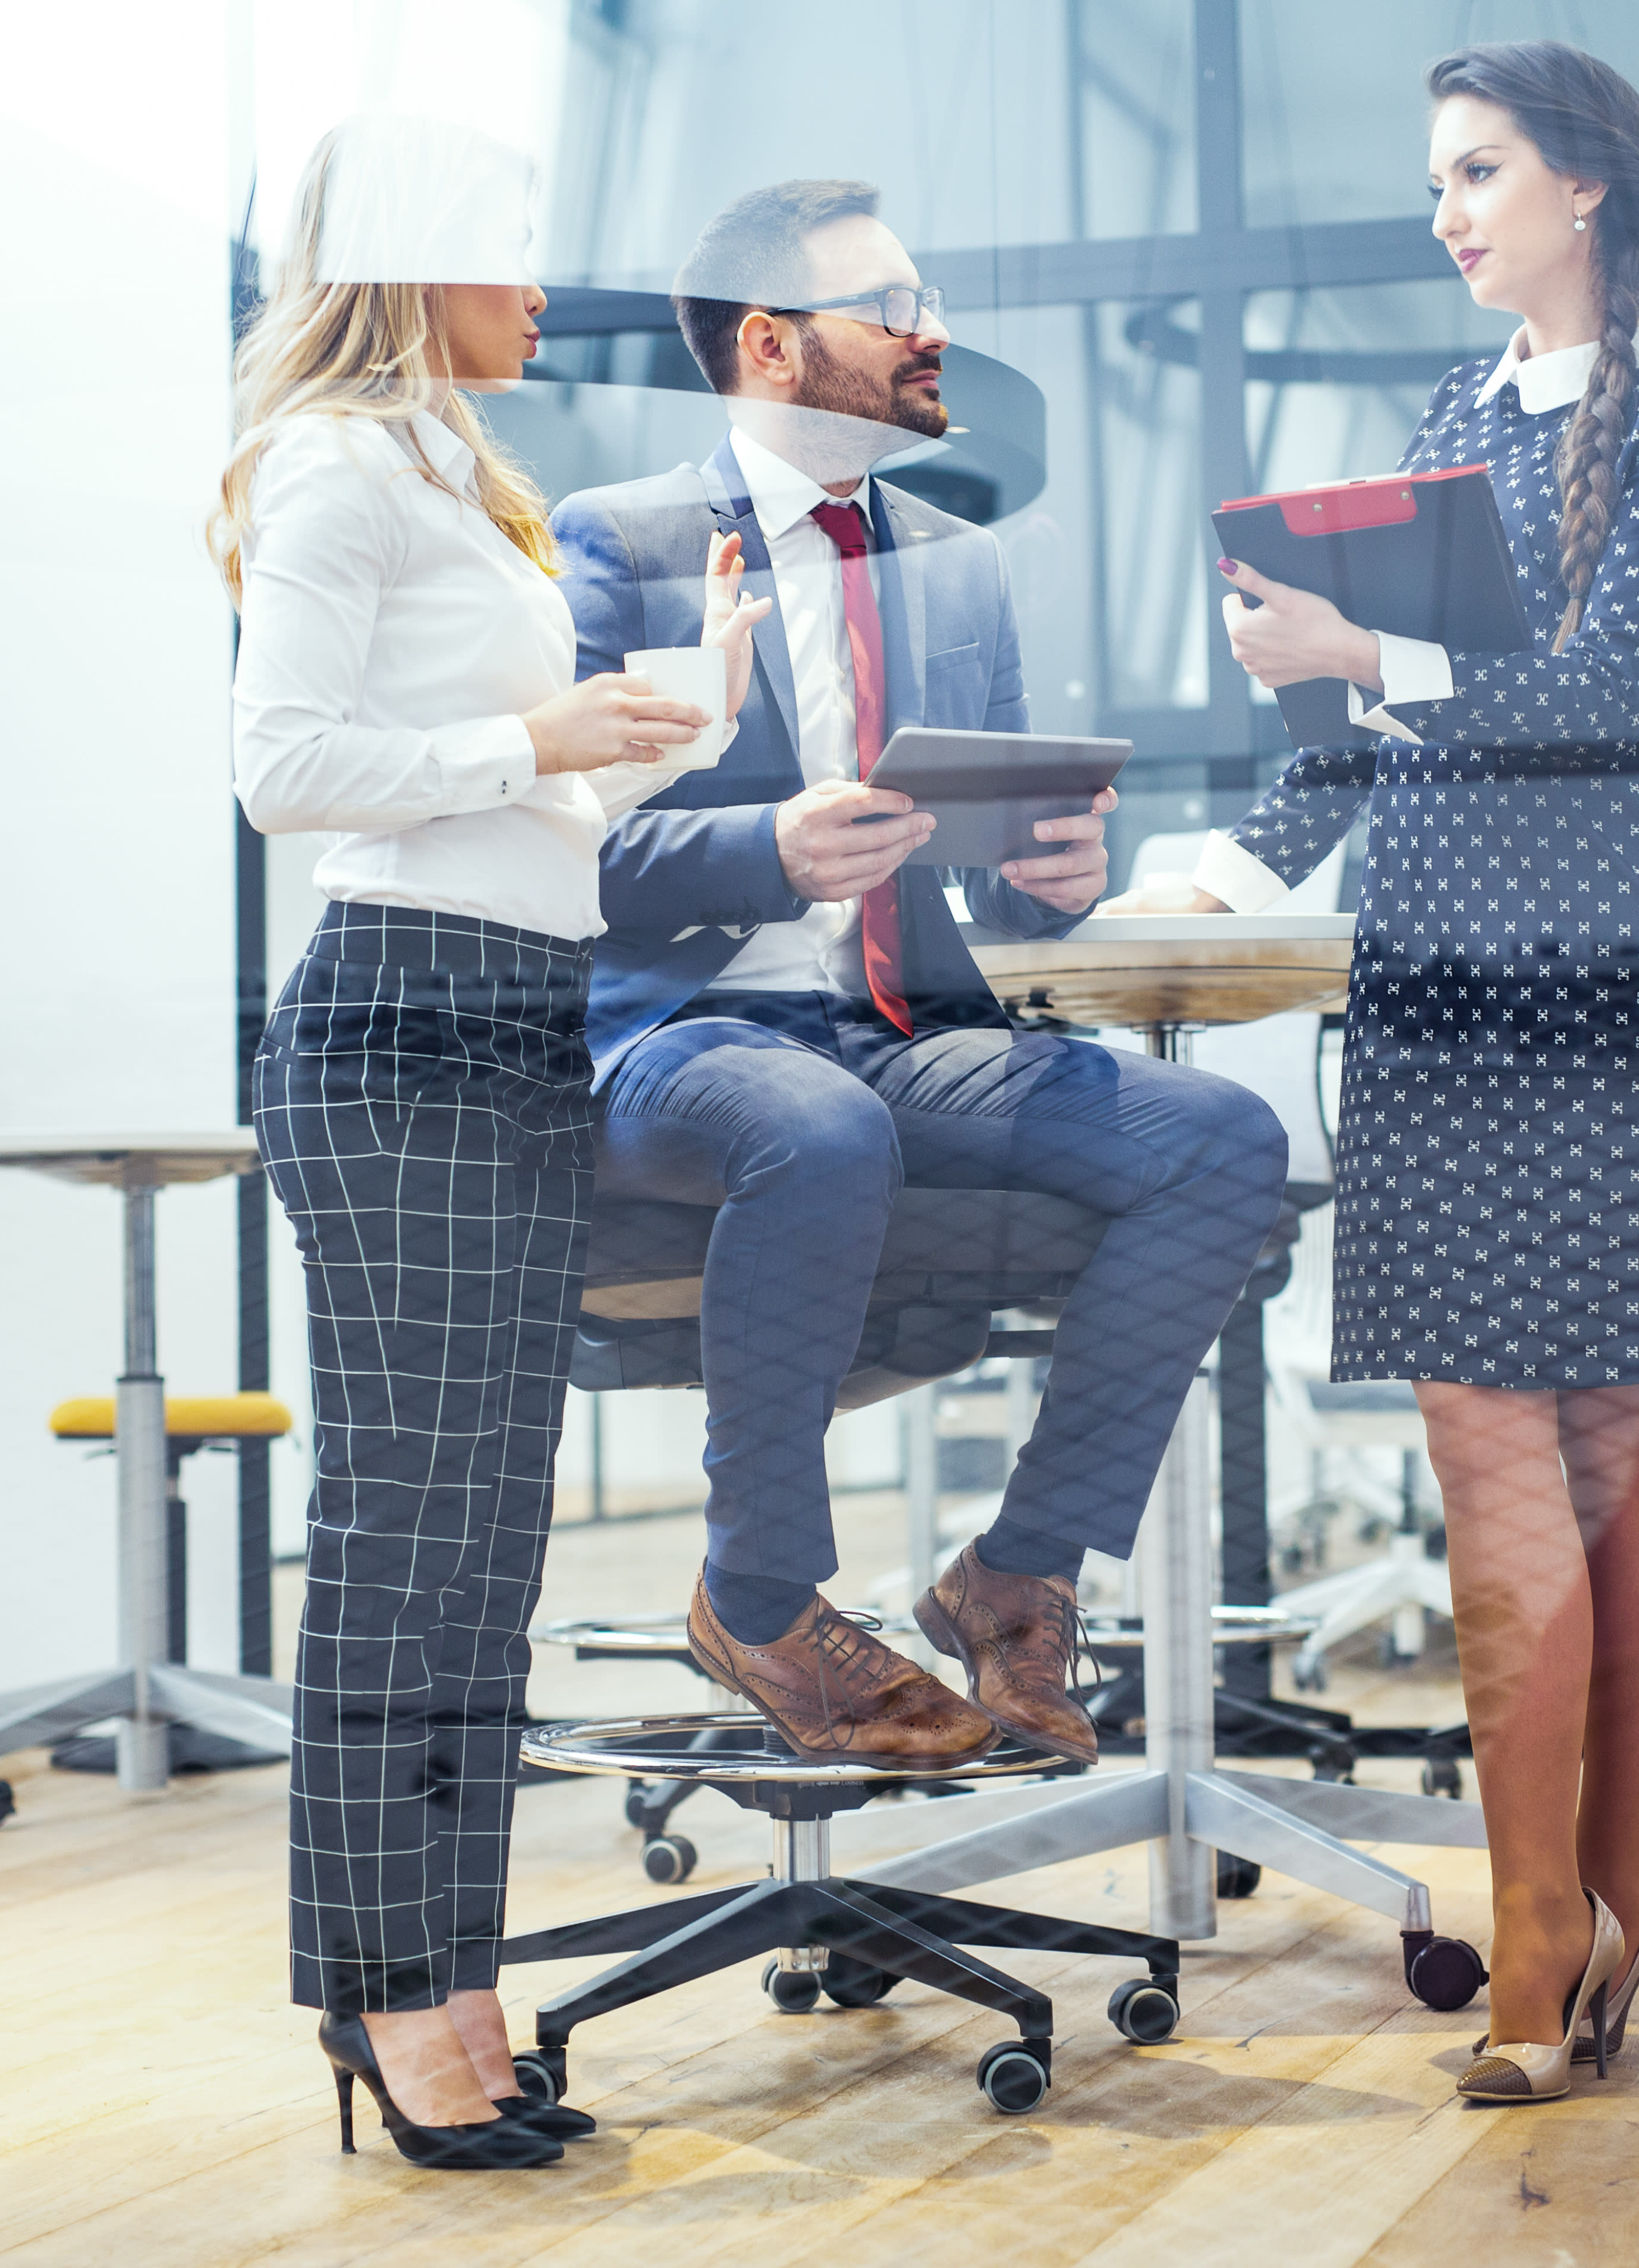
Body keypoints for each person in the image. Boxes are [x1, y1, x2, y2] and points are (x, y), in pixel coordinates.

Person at [1110, 43, 1639, 2103]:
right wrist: (1228, 863)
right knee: (1502, 1444)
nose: (1452, 208)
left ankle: (1610, 1879)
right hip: (1450, 980)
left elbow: (1602, 691)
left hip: (1617, 968)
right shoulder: (1447, 420)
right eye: (1435, 180)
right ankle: (1547, 1915)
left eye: (1481, 171)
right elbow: (1368, 735)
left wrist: (1361, 659)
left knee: (1617, 1427)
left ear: (1585, 191)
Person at [550, 179, 1287, 1770]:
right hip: (682, 1034)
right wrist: (767, 849)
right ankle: (758, 1598)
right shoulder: (625, 541)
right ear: (770, 343)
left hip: (899, 1025)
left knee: (1221, 1141)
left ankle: (1020, 1570)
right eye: (887, 306)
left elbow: (997, 879)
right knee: (816, 1126)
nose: (929, 330)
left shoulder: (954, 562)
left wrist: (1055, 887)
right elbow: (567, 857)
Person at [219, 115, 768, 2172]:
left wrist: (674, 719)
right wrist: (535, 737)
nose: (545, 286)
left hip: (517, 1005)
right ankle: (378, 1985)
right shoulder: (338, 466)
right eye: (513, 249)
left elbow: (526, 824)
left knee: (488, 1560)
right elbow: (283, 769)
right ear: (408, 260)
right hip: (397, 1027)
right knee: (399, 1549)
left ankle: (453, 1974)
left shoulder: (465, 479)